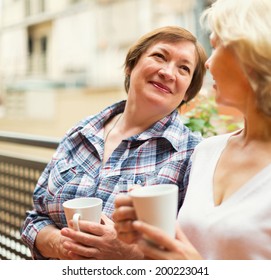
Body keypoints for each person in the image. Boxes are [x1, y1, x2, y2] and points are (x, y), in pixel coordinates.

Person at [20, 26, 207, 259]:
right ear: (131, 65)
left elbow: (196, 256)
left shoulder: (194, 154)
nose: (168, 72)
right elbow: (35, 219)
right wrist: (59, 244)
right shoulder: (81, 133)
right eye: (160, 56)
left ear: (188, 92)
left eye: (184, 68)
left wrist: (127, 253)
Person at [113, 0, 271, 260]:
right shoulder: (206, 152)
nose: (207, 64)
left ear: (250, 56)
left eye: (216, 46)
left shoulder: (187, 148)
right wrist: (143, 236)